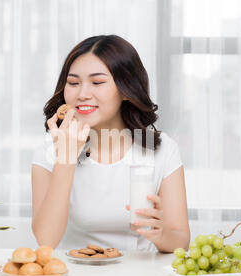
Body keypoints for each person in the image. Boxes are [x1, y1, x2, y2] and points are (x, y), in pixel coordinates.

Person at [31, 35, 189, 252]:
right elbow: (45, 240)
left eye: (97, 82)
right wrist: (65, 160)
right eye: (74, 83)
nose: (83, 94)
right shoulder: (49, 149)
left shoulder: (160, 149)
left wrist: (161, 234)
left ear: (126, 89)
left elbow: (181, 241)